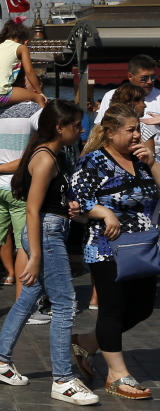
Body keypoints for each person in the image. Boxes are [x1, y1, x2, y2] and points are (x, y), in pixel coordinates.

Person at [0, 100, 99, 406]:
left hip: (49, 229)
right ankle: (62, 380)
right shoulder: (45, 158)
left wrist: (68, 207)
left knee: (28, 298)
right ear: (60, 128)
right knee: (65, 303)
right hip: (45, 235)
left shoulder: (48, 154)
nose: (81, 130)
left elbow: (46, 201)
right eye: (76, 125)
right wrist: (34, 256)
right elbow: (32, 210)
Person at [69, 104, 160, 401]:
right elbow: (74, 200)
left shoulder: (142, 159)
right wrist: (104, 211)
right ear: (109, 132)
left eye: (138, 129)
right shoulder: (93, 161)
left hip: (144, 246)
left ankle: (87, 341)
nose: (137, 135)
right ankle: (117, 375)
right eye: (130, 130)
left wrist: (153, 161)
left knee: (143, 307)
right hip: (107, 248)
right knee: (113, 308)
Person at [0, 88, 43, 319]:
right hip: (19, 185)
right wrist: (36, 96)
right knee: (24, 244)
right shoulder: (32, 110)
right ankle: (22, 305)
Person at [0, 19, 46, 107]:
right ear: (25, 40)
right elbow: (29, 72)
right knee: (38, 98)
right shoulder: (21, 47)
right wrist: (39, 92)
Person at [83, 82, 157, 156]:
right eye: (143, 101)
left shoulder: (102, 125)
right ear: (132, 103)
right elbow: (150, 162)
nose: (145, 105)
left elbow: (84, 155)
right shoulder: (143, 128)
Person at [93, 54, 160, 125]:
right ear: (130, 76)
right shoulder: (111, 95)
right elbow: (100, 127)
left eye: (153, 77)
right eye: (144, 78)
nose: (150, 81)